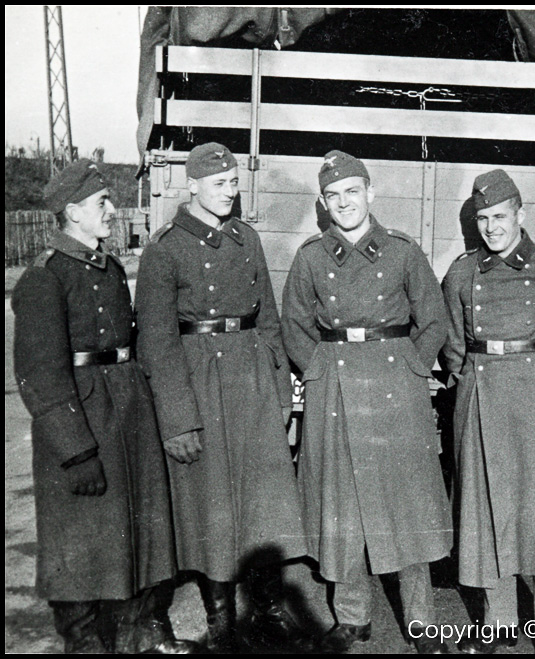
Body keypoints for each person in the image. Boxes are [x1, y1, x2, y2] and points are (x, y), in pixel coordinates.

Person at [12, 160, 197, 654]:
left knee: (138, 527)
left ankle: (143, 632)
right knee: (78, 543)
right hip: (83, 421)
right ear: (72, 212)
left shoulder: (108, 266)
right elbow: (41, 375)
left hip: (127, 411)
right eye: (102, 203)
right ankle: (85, 643)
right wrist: (75, 450)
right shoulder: (44, 278)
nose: (113, 210)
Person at [134, 143, 307, 652]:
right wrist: (178, 420)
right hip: (200, 382)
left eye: (233, 182)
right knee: (214, 505)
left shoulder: (246, 238)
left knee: (262, 499)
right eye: (219, 184)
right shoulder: (164, 249)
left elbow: (269, 321)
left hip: (251, 377)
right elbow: (158, 343)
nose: (230, 191)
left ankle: (270, 609)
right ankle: (221, 619)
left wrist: (281, 395)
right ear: (193, 186)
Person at [281, 150, 452, 654]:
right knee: (344, 506)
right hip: (334, 385)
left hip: (395, 386)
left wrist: (413, 366)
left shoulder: (402, 250)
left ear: (370, 193)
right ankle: (353, 618)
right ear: (323, 203)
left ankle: (421, 621)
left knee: (409, 503)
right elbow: (294, 324)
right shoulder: (311, 256)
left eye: (352, 192)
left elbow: (433, 319)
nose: (343, 203)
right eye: (333, 196)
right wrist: (318, 371)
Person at [441, 169, 535, 655]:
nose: (492, 228)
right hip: (482, 402)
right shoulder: (463, 273)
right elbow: (452, 345)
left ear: (520, 215)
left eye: (501, 216)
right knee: (487, 512)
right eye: (484, 219)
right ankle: (499, 622)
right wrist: (472, 386)